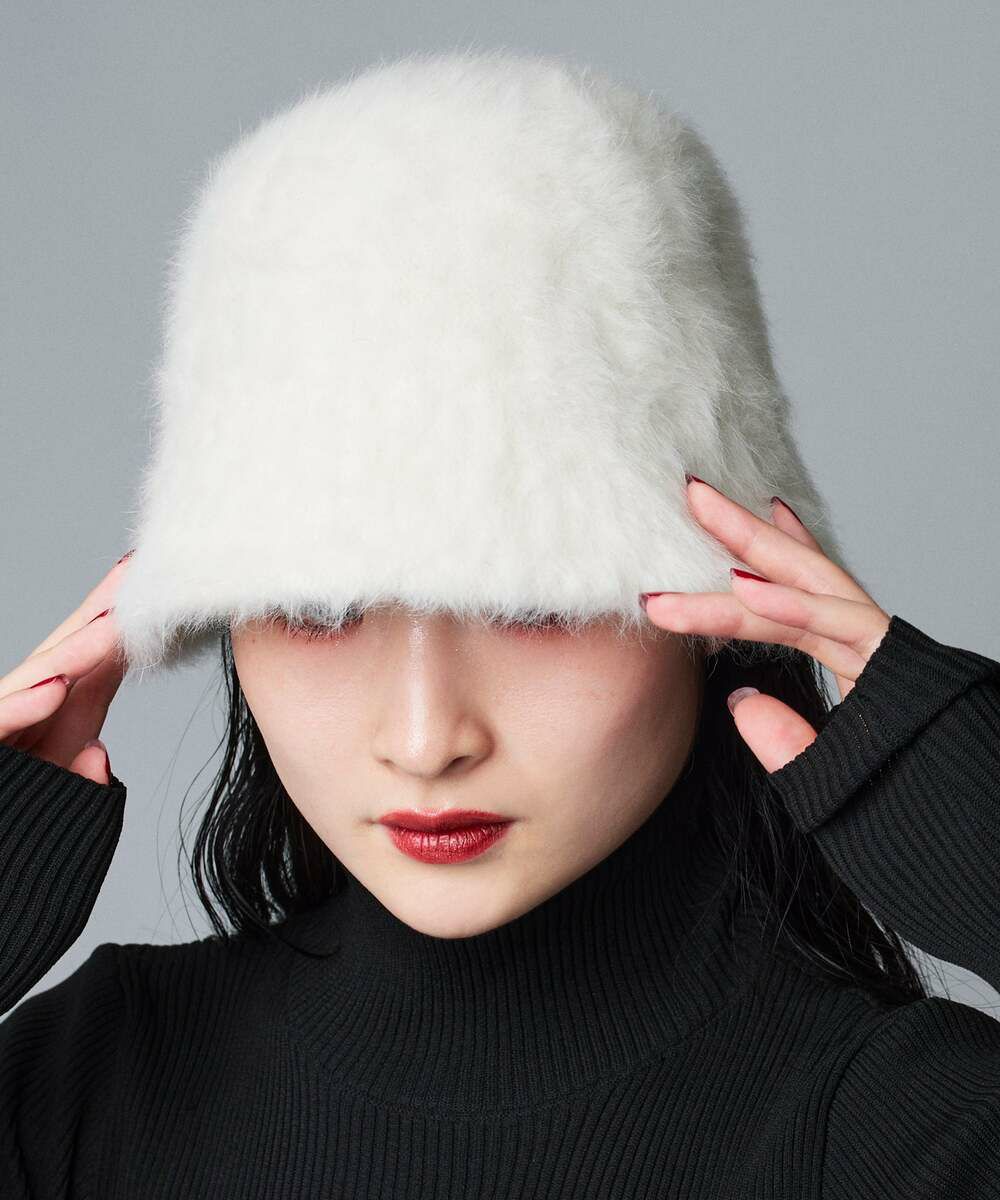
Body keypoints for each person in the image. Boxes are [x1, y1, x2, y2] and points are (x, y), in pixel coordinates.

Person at [3, 48, 999, 1199]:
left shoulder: (908, 1132)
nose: (427, 739)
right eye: (321, 608)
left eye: (538, 603)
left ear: (727, 609)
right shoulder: (89, 1089)